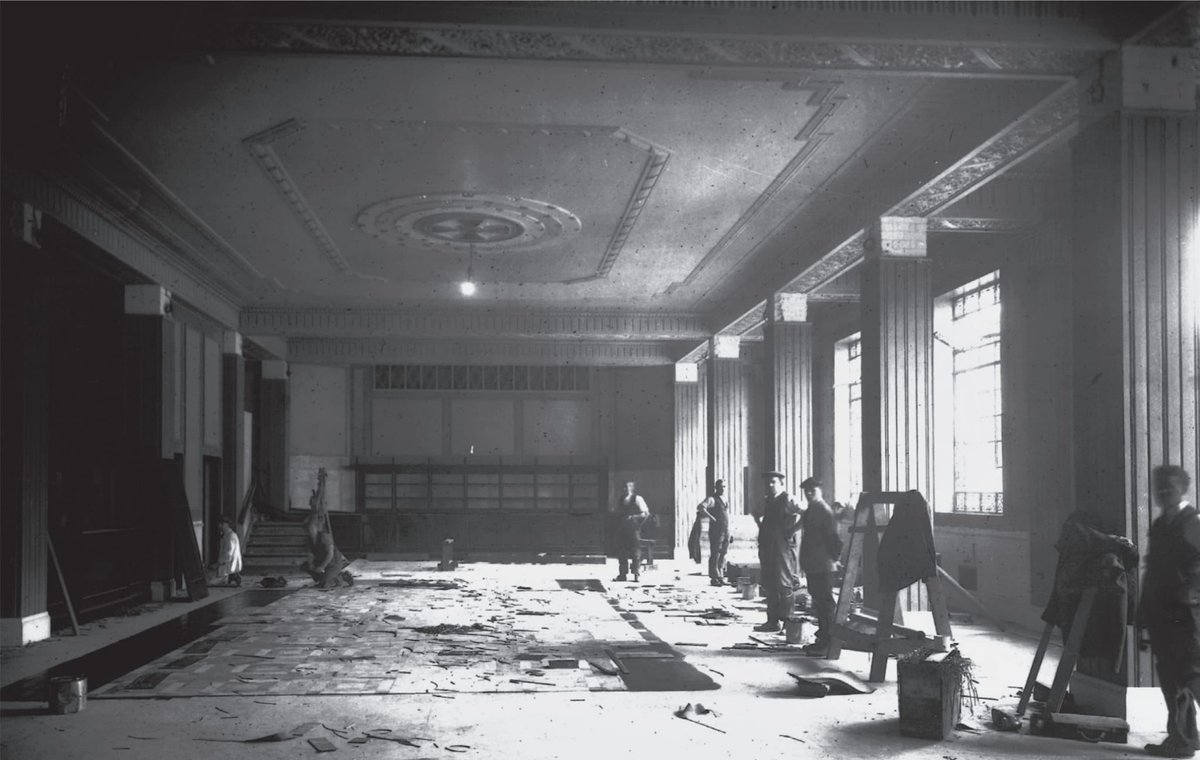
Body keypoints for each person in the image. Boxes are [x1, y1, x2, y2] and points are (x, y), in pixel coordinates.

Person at [1140, 465, 1200, 759]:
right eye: (1159, 488)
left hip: (1187, 618)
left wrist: (1190, 598)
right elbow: (1151, 571)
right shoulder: (1160, 524)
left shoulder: (1194, 522)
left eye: (1170, 488)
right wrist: (1142, 614)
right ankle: (1182, 740)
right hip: (1160, 614)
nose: (1163, 493)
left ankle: (1184, 739)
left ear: (1184, 488)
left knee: (1191, 677)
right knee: (1171, 679)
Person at [755, 470, 804, 633]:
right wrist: (760, 525)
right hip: (768, 547)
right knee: (770, 584)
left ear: (781, 484)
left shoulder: (789, 498)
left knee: (785, 584)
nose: (769, 485)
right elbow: (759, 515)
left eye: (773, 482)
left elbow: (805, 513)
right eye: (767, 482)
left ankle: (788, 624)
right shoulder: (768, 500)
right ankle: (772, 622)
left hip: (783, 548)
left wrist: (792, 530)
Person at [798, 477, 842, 655]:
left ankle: (828, 642)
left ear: (820, 491)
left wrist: (834, 559)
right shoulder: (811, 510)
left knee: (825, 604)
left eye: (812, 490)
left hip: (823, 565)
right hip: (814, 564)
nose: (809, 493)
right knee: (819, 602)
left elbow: (834, 539)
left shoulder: (824, 510)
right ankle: (823, 639)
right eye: (806, 490)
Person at [301, 513, 354, 588]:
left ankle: (342, 577)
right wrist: (311, 565)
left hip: (334, 562)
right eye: (307, 529)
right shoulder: (308, 540)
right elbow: (310, 554)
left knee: (325, 585)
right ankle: (324, 578)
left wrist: (322, 567)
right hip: (322, 560)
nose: (309, 531)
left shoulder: (325, 537)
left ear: (315, 528)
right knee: (305, 566)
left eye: (311, 528)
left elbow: (330, 554)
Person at [612, 481, 649, 582]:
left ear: (632, 488)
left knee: (635, 552)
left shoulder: (637, 499)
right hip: (622, 529)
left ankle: (636, 574)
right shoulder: (620, 500)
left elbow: (645, 514)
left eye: (628, 487)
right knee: (622, 552)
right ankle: (622, 574)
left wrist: (634, 519)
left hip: (633, 529)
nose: (625, 489)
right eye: (624, 487)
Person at [697, 479, 730, 586]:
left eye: (724, 486)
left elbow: (727, 516)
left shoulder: (725, 499)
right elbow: (701, 507)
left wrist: (730, 530)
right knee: (716, 553)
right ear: (716, 487)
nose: (723, 489)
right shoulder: (712, 499)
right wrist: (712, 517)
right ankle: (714, 578)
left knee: (723, 553)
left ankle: (720, 576)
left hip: (725, 530)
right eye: (720, 487)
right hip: (716, 530)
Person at [216, 516, 243, 587]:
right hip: (228, 565)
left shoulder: (231, 536)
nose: (219, 526)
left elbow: (229, 553)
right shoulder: (226, 535)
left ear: (225, 524)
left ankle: (232, 578)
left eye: (221, 524)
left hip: (229, 566)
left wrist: (220, 562)